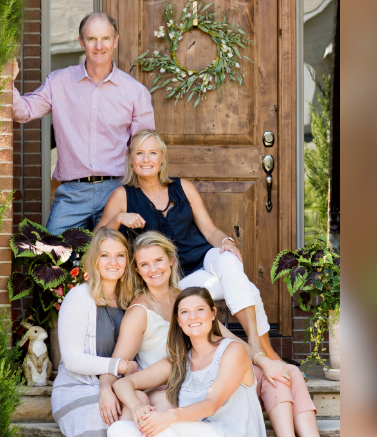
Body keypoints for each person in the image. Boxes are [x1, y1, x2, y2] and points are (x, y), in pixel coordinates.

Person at [96, 129, 268, 361]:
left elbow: (211, 231)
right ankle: (264, 354)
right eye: (140, 153)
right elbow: (98, 239)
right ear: (131, 159)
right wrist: (118, 219)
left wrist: (226, 241)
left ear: (162, 158)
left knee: (229, 260)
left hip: (203, 262)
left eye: (152, 153)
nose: (146, 160)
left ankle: (255, 344)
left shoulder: (182, 187)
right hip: (173, 279)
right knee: (248, 288)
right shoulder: (123, 195)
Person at [107, 287, 273, 437]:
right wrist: (136, 406)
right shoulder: (179, 360)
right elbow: (124, 384)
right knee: (118, 431)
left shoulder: (233, 350)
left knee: (158, 421)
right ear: (178, 320)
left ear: (213, 314)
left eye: (199, 310)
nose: (192, 317)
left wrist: (169, 415)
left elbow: (212, 404)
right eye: (185, 312)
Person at [11, 13, 155, 234]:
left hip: (117, 191)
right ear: (81, 42)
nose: (99, 46)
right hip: (72, 193)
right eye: (91, 39)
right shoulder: (58, 82)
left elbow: (145, 151)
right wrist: (7, 82)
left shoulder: (135, 92)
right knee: (50, 257)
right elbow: (24, 112)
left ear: (115, 41)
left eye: (105, 38)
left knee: (117, 259)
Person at [50, 227, 142, 437]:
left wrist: (120, 378)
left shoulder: (132, 300)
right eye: (105, 255)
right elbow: (73, 359)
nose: (113, 262)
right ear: (94, 260)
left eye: (120, 255)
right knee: (101, 413)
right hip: (76, 386)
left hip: (118, 386)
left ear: (128, 261)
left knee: (140, 408)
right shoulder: (79, 298)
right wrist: (119, 368)